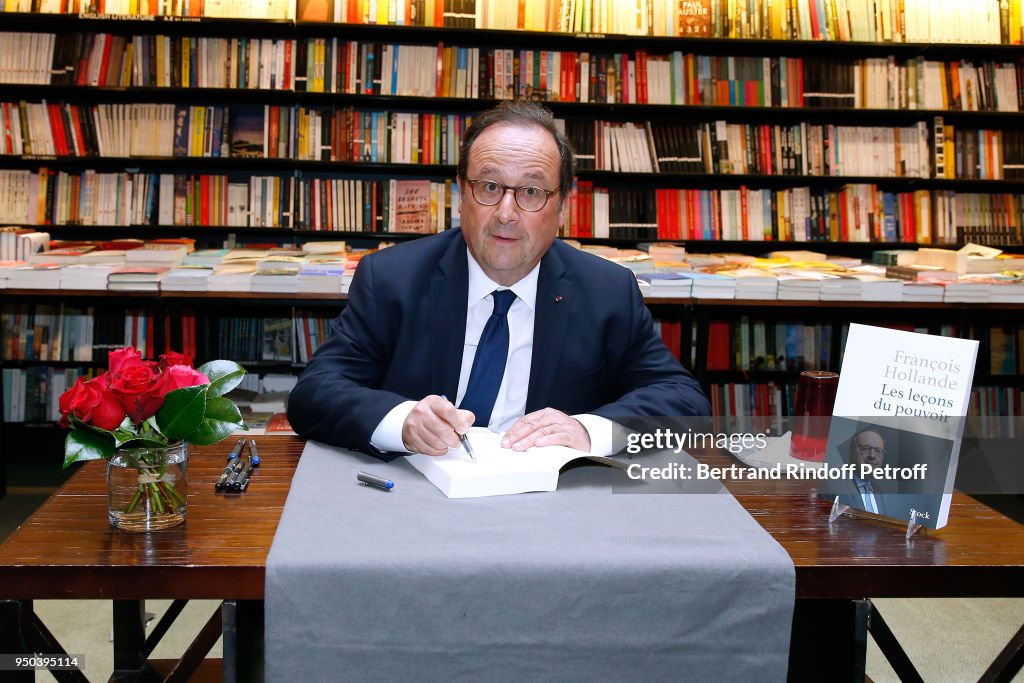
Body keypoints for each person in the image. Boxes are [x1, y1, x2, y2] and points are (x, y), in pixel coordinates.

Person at [287, 100, 709, 459]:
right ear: (460, 193)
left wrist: (589, 432)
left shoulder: (607, 291)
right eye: (489, 186)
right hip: (416, 494)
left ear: (563, 205)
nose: (506, 213)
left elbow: (684, 400)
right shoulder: (392, 278)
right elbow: (315, 394)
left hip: (551, 507)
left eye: (531, 191)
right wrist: (401, 422)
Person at [835, 427, 897, 517]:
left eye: (878, 451)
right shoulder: (832, 485)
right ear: (851, 452)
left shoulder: (880, 495)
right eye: (866, 448)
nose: (872, 455)